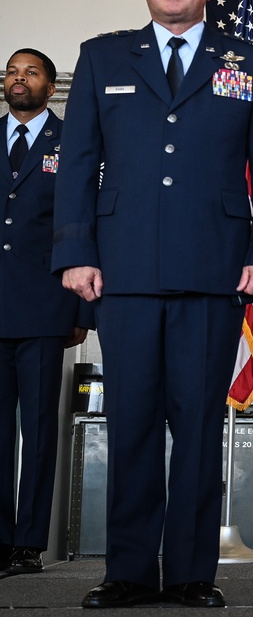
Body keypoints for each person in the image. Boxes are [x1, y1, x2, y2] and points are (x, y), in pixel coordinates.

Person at [52, 0, 253, 609]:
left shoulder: (250, 60)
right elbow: (77, 164)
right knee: (128, 421)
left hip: (215, 267)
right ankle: (127, 570)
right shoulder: (102, 57)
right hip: (121, 269)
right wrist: (75, 250)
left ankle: (190, 572)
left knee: (196, 425)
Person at [1, 49, 93, 574]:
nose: (19, 79)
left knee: (37, 428)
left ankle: (27, 542)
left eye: (30, 71)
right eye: (13, 71)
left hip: (43, 305)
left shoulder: (72, 142)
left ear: (50, 84)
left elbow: (84, 227)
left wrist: (82, 310)